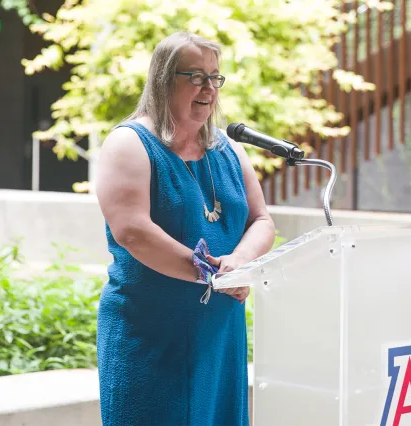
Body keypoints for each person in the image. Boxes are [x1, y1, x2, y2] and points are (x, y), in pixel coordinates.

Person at [94, 31, 276, 426]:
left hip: (219, 333)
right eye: (195, 76)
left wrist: (240, 262)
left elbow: (261, 220)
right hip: (151, 334)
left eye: (215, 77)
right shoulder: (130, 144)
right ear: (163, 80)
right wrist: (212, 275)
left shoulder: (229, 148)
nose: (209, 88)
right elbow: (133, 232)